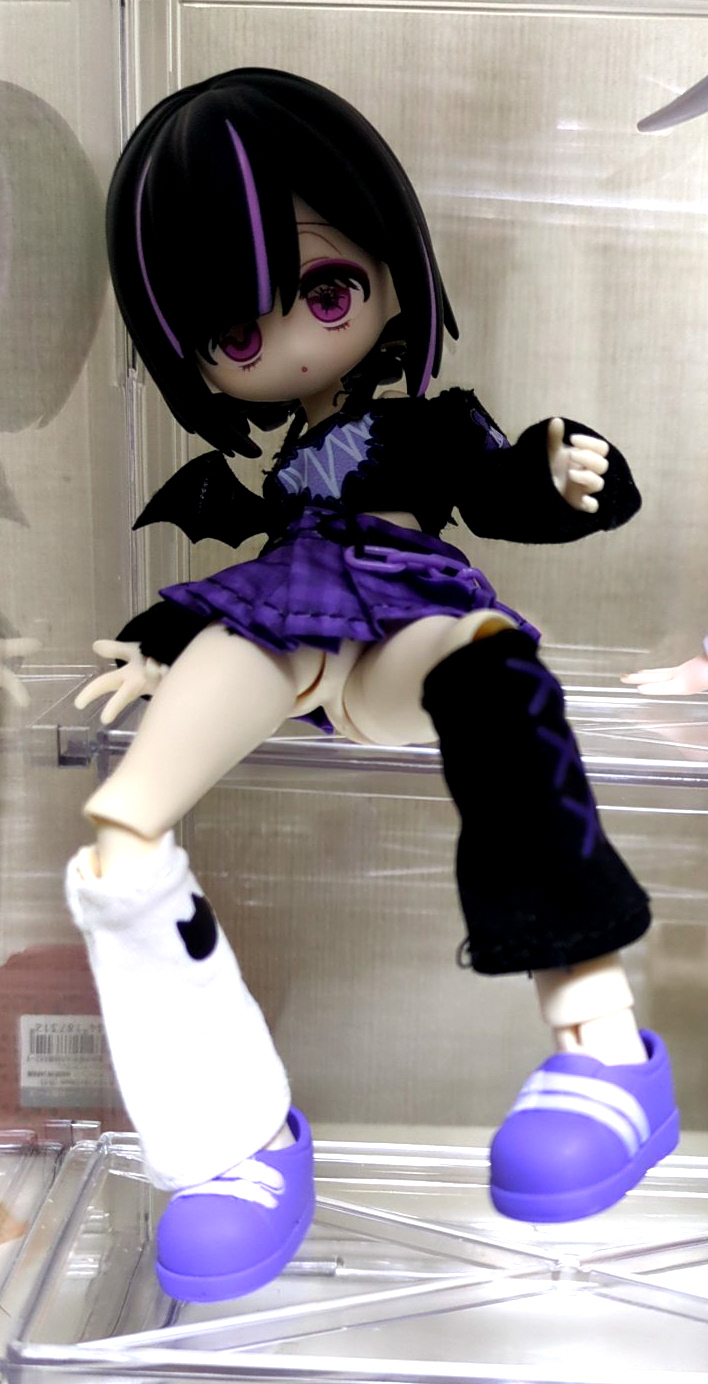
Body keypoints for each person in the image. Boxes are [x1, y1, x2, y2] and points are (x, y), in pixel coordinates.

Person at [65, 68, 678, 1304]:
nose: (293, 341)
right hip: (281, 619)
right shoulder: (278, 472)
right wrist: (159, 642)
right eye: (239, 337)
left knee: (491, 671)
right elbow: (239, 561)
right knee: (121, 831)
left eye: (327, 291)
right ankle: (233, 1138)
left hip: (402, 613)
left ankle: (602, 1041)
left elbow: (502, 487)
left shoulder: (427, 427)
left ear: (393, 270)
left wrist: (563, 477)